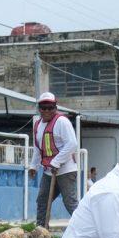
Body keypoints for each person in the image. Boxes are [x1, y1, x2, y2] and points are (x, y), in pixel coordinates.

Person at [28, 92, 78, 228]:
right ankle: (41, 231)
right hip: (49, 171)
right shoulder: (37, 125)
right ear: (39, 109)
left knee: (70, 203)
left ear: (55, 108)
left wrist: (57, 161)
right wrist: (33, 166)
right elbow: (39, 148)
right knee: (42, 200)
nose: (47, 111)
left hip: (66, 170)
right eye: (43, 108)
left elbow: (72, 144)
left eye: (50, 107)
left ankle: (84, 229)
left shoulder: (62, 122)